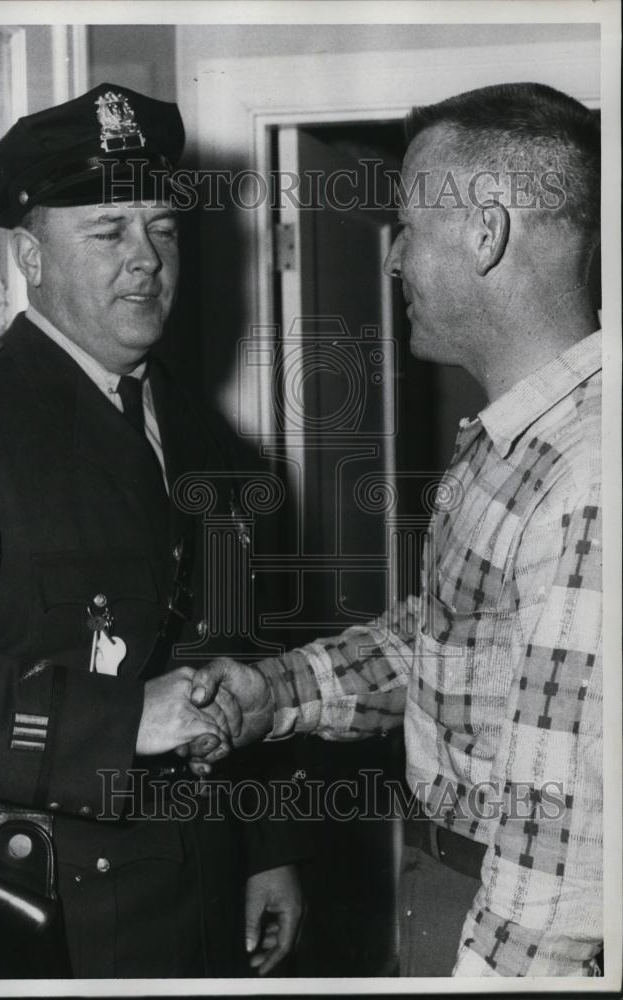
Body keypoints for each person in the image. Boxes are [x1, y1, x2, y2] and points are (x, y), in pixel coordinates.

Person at [0, 83, 304, 979]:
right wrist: (124, 721)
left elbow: (240, 644)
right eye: (108, 232)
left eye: (162, 228)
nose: (146, 260)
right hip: (35, 905)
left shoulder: (211, 441)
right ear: (31, 256)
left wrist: (267, 846)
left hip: (196, 894)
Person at [188, 82, 603, 977]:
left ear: (486, 234)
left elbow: (561, 842)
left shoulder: (587, 476)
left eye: (409, 227)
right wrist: (272, 693)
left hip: (507, 922)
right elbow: (448, 644)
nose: (394, 259)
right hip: (449, 883)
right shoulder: (517, 443)